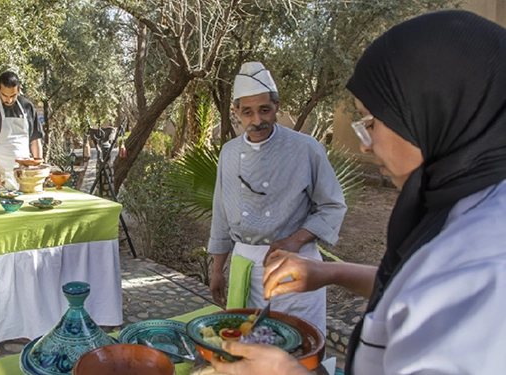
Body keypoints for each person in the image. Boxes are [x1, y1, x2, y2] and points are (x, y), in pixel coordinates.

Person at [209, 10, 506, 375]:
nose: (365, 144)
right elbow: (407, 285)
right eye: (247, 113)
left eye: (372, 122)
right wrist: (329, 273)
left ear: (427, 114)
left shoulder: (487, 261)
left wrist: (289, 372)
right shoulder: (463, 209)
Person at [207, 61, 347, 336]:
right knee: (251, 349)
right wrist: (217, 270)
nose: (257, 120)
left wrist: (295, 240)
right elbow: (221, 215)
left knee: (298, 346)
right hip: (245, 268)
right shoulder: (229, 153)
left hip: (293, 266)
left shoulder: (306, 148)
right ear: (236, 111)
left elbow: (332, 206)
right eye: (247, 112)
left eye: (265, 110)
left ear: (277, 106)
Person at [0, 71, 44, 190]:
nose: (9, 100)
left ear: (19, 89)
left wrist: (38, 170)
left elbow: (35, 141)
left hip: (25, 176)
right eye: (5, 95)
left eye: (13, 96)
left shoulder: (28, 107)